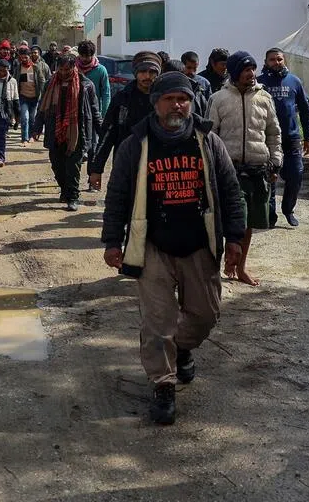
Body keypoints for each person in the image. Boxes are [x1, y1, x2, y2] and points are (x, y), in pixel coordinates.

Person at [101, 71, 245, 425]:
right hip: (153, 245)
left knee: (206, 315)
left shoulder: (208, 142)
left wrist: (235, 238)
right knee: (157, 321)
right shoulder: (136, 143)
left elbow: (231, 191)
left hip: (199, 243)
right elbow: (117, 194)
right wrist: (111, 240)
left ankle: (180, 349)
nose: (178, 105)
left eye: (184, 99)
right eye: (170, 99)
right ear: (156, 104)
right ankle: (163, 384)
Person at [208, 51, 282, 286]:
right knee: (229, 220)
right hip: (228, 170)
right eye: (245, 69)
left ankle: (240, 267)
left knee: (248, 222)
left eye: (252, 69)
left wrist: (275, 162)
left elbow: (273, 133)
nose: (251, 73)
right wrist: (211, 167)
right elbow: (210, 136)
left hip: (257, 170)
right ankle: (220, 263)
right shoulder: (218, 99)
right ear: (234, 72)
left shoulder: (265, 98)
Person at [35, 54, 102, 211]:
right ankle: (65, 190)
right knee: (57, 165)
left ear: (74, 67)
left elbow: (94, 109)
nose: (64, 72)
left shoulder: (86, 85)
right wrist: (37, 127)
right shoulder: (50, 84)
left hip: (76, 132)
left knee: (73, 166)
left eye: (67, 69)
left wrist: (101, 130)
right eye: (61, 69)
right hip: (55, 130)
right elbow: (42, 108)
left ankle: (73, 197)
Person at [88, 51, 161, 190]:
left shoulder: (164, 100)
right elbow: (107, 135)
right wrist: (96, 169)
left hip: (158, 166)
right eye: (143, 71)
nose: (147, 76)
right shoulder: (123, 99)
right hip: (127, 163)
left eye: (152, 72)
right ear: (135, 73)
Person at [257, 48, 309, 228]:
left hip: (291, 137)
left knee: (296, 174)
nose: (277, 62)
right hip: (268, 138)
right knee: (270, 177)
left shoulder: (294, 81)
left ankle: (288, 210)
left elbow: (305, 110)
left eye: (279, 59)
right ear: (266, 62)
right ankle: (270, 215)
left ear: (284, 60)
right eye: (272, 60)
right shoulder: (259, 82)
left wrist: (308, 137)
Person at [0, 59, 19, 166]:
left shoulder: (12, 81)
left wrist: (17, 117)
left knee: (1, 135)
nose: (2, 73)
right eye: (0, 70)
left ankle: (1, 158)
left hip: (4, 112)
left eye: (5, 71)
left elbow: (15, 99)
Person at [14, 48, 46, 145]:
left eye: (26, 57)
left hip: (34, 97)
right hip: (23, 97)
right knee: (24, 118)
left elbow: (42, 81)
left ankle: (31, 136)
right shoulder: (18, 68)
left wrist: (43, 95)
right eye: (22, 57)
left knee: (32, 119)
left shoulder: (36, 68)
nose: (24, 59)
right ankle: (24, 138)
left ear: (29, 57)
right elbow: (14, 81)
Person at [77, 40, 112, 118]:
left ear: (92, 55)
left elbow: (106, 94)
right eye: (82, 56)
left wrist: (104, 115)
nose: (84, 59)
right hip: (76, 112)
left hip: (94, 113)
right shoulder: (74, 68)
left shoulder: (100, 70)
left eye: (87, 56)